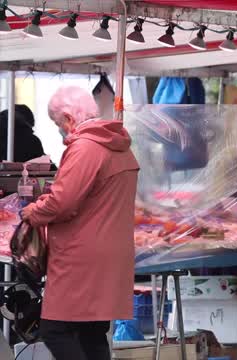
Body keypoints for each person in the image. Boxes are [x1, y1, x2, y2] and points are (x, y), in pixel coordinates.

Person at [21, 86, 140, 360]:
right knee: (92, 332)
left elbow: (63, 202)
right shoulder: (118, 146)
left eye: (57, 123)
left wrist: (32, 212)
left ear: (69, 118)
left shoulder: (86, 148)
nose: (60, 130)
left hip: (81, 255)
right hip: (111, 252)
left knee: (54, 329)